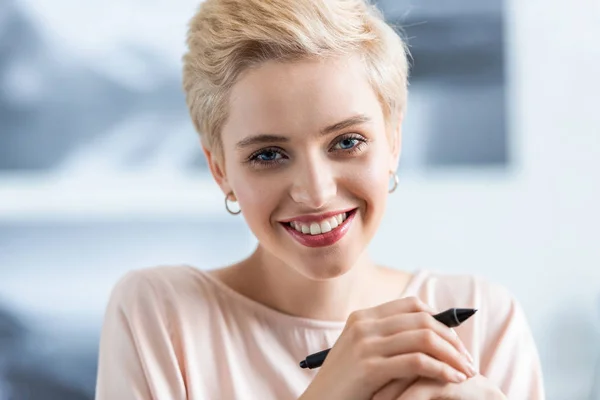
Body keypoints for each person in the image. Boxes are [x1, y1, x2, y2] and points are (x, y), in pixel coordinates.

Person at [94, 0, 545, 399]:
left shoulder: (484, 320)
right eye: (268, 154)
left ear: (393, 141)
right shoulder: (160, 314)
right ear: (220, 170)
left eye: (347, 142)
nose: (316, 192)